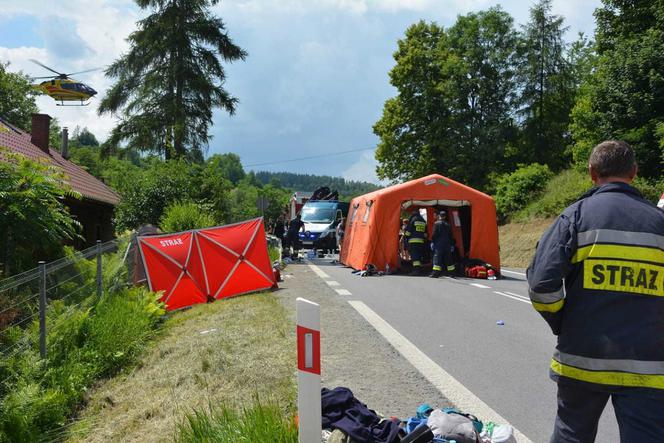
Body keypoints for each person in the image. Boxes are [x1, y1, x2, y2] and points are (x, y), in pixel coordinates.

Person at [527, 140, 664, 443]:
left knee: (571, 435)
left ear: (591, 172)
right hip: (649, 364)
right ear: (635, 172)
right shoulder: (660, 223)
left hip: (581, 359)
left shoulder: (574, 217)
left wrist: (562, 321)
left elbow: (541, 285)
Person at [429, 211, 455, 278]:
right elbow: (451, 235)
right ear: (445, 216)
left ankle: (436, 273)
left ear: (439, 216)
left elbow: (434, 234)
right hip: (447, 244)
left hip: (439, 243)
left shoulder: (436, 224)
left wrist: (432, 241)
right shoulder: (448, 224)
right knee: (448, 258)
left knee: (437, 258)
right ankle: (451, 273)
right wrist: (452, 244)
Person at [404, 211, 427, 275]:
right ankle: (419, 269)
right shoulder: (423, 221)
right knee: (419, 256)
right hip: (421, 241)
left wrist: (405, 236)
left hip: (413, 241)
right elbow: (425, 234)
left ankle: (416, 270)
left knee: (415, 256)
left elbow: (408, 232)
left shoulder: (413, 220)